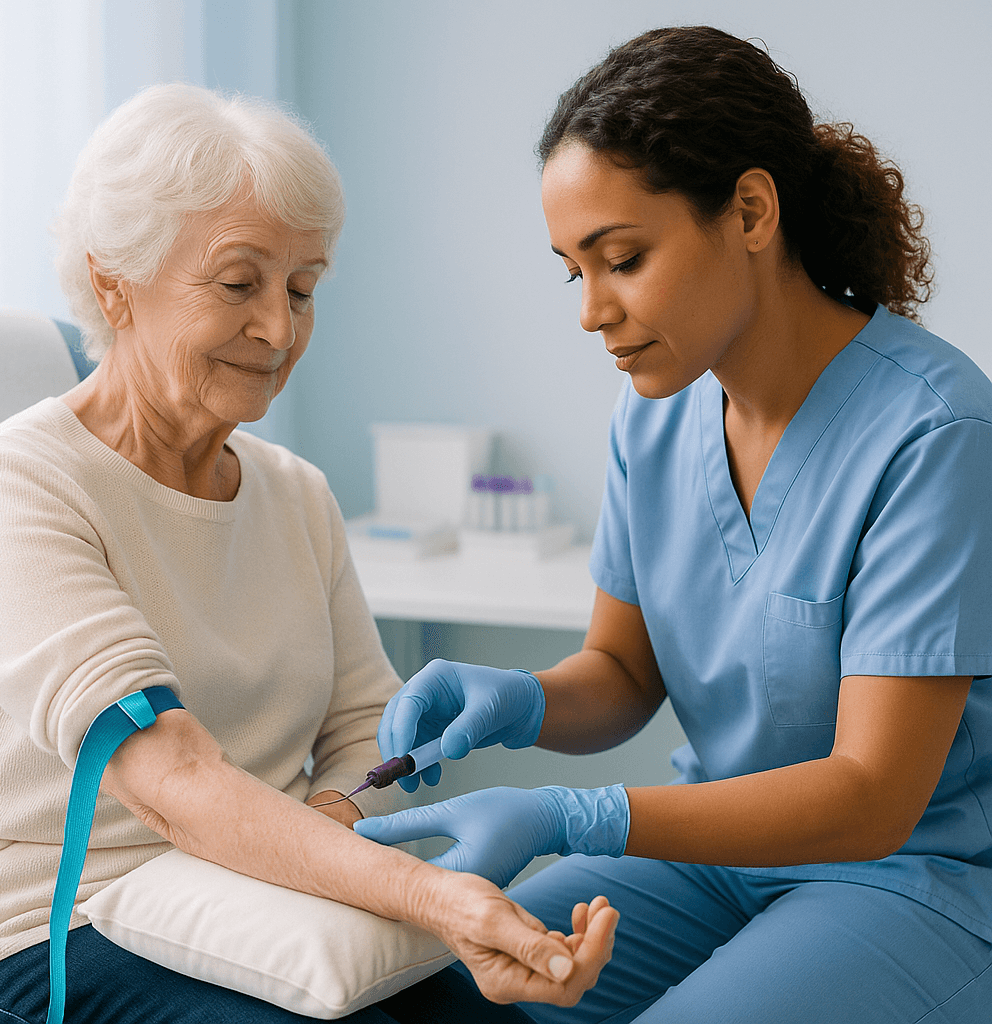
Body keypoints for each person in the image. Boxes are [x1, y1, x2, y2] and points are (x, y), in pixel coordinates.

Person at [353, 26, 992, 1024]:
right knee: (440, 992)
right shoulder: (654, 417)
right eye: (574, 270)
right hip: (711, 862)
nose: (591, 311)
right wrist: (515, 701)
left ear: (749, 210)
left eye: (622, 259)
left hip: (905, 874)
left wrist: (577, 814)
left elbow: (873, 792)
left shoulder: (933, 430)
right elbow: (621, 674)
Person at [0, 84, 618, 1024]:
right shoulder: (11, 490)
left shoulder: (296, 495)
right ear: (115, 284)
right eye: (239, 285)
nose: (280, 330)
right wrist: (434, 897)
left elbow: (363, 723)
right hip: (53, 927)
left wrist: (334, 824)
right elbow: (174, 781)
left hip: (255, 905)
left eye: (302, 289)